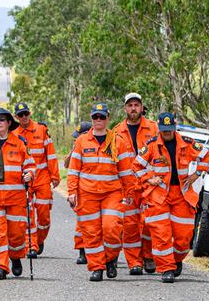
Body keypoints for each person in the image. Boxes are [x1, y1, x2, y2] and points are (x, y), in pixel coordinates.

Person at [131, 112, 209, 283]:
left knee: (184, 237)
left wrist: (197, 174)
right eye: (163, 130)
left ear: (174, 127)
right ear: (159, 129)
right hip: (158, 195)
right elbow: (136, 166)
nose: (166, 133)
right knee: (162, 234)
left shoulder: (187, 143)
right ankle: (166, 269)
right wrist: (149, 178)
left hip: (182, 194)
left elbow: (207, 157)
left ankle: (175, 260)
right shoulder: (152, 145)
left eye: (169, 130)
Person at [67, 103, 136, 282]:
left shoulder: (117, 141)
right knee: (91, 232)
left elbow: (126, 172)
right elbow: (74, 170)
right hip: (87, 194)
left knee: (111, 228)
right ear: (92, 119)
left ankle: (111, 258)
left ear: (108, 119)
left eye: (102, 117)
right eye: (95, 117)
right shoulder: (81, 141)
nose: (98, 120)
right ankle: (97, 267)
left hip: (111, 194)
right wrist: (72, 191)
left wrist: (129, 193)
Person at [0, 108, 36, 280]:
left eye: (2, 119)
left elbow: (31, 165)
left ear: (9, 123)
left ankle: (16, 257)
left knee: (16, 234)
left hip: (15, 198)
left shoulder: (20, 143)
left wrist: (29, 174)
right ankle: (0, 267)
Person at [112, 93, 158, 275]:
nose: (133, 108)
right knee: (130, 226)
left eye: (136, 105)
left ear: (142, 107)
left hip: (149, 184)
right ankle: (134, 262)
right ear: (125, 108)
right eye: (130, 105)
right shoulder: (116, 131)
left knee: (149, 223)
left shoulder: (154, 128)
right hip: (128, 186)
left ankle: (148, 256)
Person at [14, 103, 59, 257]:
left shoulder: (41, 130)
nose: (24, 117)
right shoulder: (13, 133)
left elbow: (51, 155)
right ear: (16, 117)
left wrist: (55, 176)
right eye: (20, 115)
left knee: (44, 214)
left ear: (30, 113)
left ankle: (39, 240)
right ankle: (31, 245)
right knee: (27, 213)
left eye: (26, 113)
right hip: (24, 180)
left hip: (42, 178)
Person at [64, 121, 92, 265]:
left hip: (95, 188)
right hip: (80, 189)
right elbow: (66, 165)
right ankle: (82, 251)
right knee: (81, 223)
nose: (76, 139)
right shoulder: (78, 146)